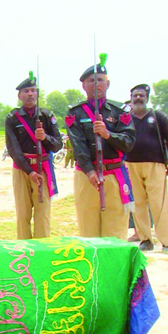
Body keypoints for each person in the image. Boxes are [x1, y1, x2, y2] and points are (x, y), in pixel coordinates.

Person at [65, 54, 135, 240]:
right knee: (89, 231)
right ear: (83, 85)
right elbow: (77, 145)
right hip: (87, 177)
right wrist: (89, 171)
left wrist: (107, 134)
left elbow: (128, 142)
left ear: (107, 84)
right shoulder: (75, 113)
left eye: (101, 81)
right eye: (91, 81)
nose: (96, 85)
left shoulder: (120, 111)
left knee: (116, 232)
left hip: (114, 175)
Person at [5, 72, 62, 239]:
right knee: (23, 213)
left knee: (42, 213)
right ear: (19, 95)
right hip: (22, 169)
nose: (30, 94)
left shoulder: (46, 116)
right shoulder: (13, 118)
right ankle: (24, 249)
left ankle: (42, 249)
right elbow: (13, 149)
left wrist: (44, 138)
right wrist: (29, 171)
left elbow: (58, 144)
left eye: (33, 90)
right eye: (26, 91)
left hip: (43, 168)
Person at [126, 84, 168, 253]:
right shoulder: (126, 119)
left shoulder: (158, 117)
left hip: (156, 164)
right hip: (131, 165)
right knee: (138, 204)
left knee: (159, 204)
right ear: (131, 98)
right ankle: (145, 239)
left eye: (141, 95)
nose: (138, 98)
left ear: (147, 98)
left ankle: (167, 242)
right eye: (135, 95)